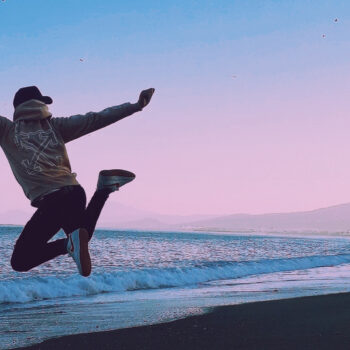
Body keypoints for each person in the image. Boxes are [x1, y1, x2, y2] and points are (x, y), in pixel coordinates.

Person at [0, 86, 155, 277]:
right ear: (37, 105)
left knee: (20, 260)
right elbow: (96, 119)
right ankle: (103, 189)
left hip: (53, 200)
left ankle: (70, 240)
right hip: (74, 193)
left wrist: (136, 106)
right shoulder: (56, 126)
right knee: (82, 236)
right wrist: (135, 106)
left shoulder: (7, 130)